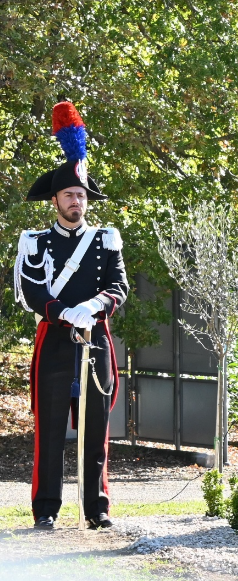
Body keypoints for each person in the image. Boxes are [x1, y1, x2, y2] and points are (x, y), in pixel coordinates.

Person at [13, 102, 129, 529]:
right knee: (49, 433)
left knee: (96, 431)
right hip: (57, 343)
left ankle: (96, 508)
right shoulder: (36, 243)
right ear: (56, 201)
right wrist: (65, 312)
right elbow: (31, 292)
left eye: (81, 195)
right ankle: (46, 509)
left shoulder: (106, 240)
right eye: (69, 196)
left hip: (95, 341)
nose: (76, 202)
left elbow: (120, 285)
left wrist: (94, 307)